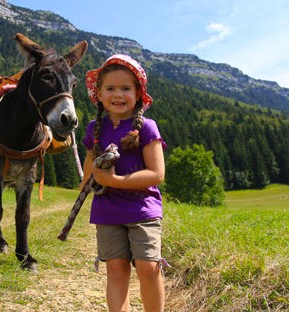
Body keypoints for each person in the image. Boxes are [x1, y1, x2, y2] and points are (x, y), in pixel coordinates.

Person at [81, 54, 167, 312]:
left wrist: (114, 180)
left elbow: (156, 174)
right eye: (110, 88)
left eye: (125, 88)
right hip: (107, 210)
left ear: (138, 93)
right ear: (99, 94)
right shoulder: (94, 128)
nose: (118, 95)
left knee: (148, 267)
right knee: (116, 270)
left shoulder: (147, 128)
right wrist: (87, 183)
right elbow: (89, 164)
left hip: (142, 210)